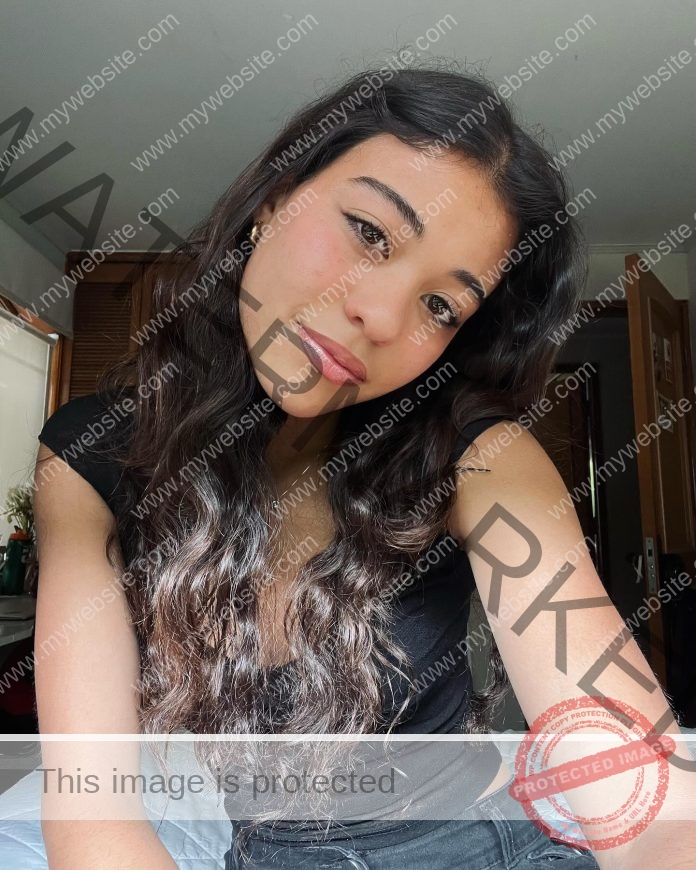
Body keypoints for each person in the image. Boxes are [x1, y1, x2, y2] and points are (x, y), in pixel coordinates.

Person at [32, 63, 694, 869]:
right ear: (275, 199)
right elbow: (92, 817)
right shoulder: (93, 461)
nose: (379, 317)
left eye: (441, 306)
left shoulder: (480, 462)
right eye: (371, 232)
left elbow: (647, 795)